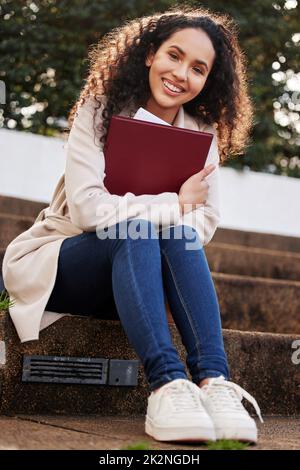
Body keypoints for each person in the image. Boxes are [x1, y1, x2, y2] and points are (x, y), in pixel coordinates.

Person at [2, 4, 263, 444]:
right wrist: (173, 203)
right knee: (141, 230)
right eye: (174, 56)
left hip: (140, 275)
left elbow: (203, 225)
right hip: (63, 261)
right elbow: (87, 212)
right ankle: (166, 384)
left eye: (198, 68)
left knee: (167, 234)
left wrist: (165, 213)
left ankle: (214, 384)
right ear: (149, 54)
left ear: (209, 80)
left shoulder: (204, 135)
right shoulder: (99, 111)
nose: (182, 73)